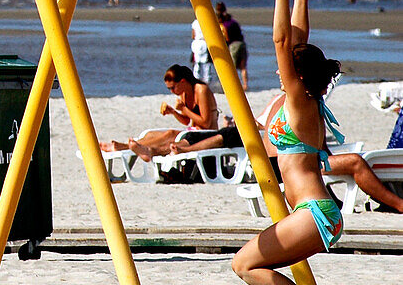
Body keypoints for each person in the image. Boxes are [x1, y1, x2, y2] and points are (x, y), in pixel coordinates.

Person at [231, 0, 344, 285]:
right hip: (314, 213)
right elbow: (297, 41)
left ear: (297, 74)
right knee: (247, 262)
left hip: (313, 213)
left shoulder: (300, 100)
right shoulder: (305, 97)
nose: (279, 68)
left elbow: (282, 41)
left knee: (243, 264)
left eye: (285, 67)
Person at [168, 90, 403, 214]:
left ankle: (375, 201)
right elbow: (316, 146)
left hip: (272, 163)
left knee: (351, 161)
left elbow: (261, 124)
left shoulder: (279, 100)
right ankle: (397, 203)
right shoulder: (302, 101)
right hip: (288, 164)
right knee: (355, 161)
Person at [99, 64, 217, 160]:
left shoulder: (201, 90)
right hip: (193, 131)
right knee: (150, 135)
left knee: (170, 134)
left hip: (206, 133)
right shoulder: (184, 93)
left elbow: (206, 122)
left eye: (173, 87)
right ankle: (130, 146)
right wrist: (174, 112)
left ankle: (125, 147)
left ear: (182, 81)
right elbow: (187, 120)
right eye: (169, 89)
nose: (172, 91)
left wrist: (184, 109)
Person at [215, 1, 248, 89]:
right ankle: (245, 85)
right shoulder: (234, 22)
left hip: (234, 45)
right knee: (243, 66)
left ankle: (233, 86)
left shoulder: (224, 25)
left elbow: (227, 38)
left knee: (232, 67)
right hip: (242, 43)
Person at [190, 18, 214, 84]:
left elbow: (193, 35)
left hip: (196, 42)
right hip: (204, 42)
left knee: (197, 63)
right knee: (206, 63)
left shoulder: (195, 22)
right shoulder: (207, 21)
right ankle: (207, 80)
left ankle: (196, 79)